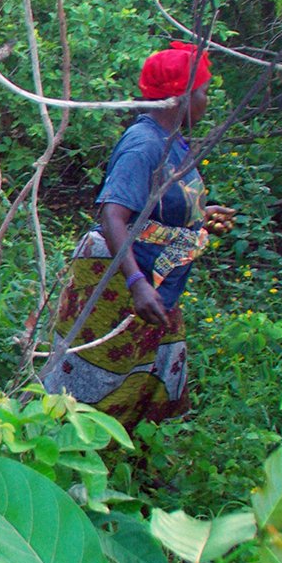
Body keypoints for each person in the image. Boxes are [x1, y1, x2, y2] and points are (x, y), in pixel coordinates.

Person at [40, 41, 235, 428]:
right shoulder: (143, 145)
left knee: (151, 373)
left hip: (156, 280)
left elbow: (154, 207)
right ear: (181, 98)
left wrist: (200, 216)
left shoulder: (172, 144)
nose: (207, 102)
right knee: (93, 379)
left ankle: (132, 463)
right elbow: (113, 214)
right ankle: (70, 460)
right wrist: (136, 282)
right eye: (204, 92)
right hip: (122, 282)